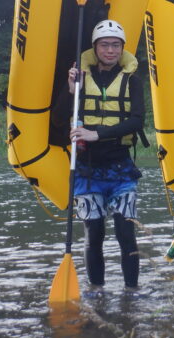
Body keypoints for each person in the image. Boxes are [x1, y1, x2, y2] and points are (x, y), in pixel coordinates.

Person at [53, 19, 146, 292]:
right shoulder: (79, 79)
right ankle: (97, 290)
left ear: (122, 49)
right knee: (94, 236)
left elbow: (137, 121)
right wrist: (70, 92)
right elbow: (59, 119)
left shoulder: (132, 80)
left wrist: (98, 133)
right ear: (95, 48)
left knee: (125, 234)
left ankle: (131, 291)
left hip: (120, 169)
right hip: (87, 170)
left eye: (115, 45)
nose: (110, 50)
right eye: (104, 45)